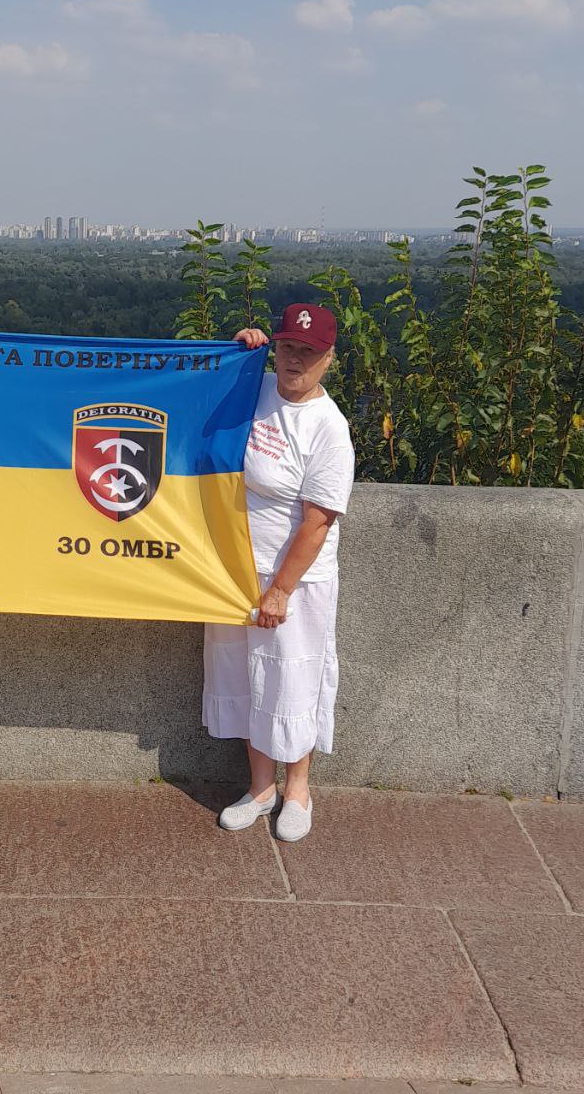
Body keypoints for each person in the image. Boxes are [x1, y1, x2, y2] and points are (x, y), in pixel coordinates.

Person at [204, 303, 355, 843]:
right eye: (288, 346)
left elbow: (317, 523)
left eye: (308, 352)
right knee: (248, 678)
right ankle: (260, 788)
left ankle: (299, 790)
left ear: (329, 359)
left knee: (293, 678)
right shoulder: (258, 386)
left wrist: (280, 591)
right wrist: (234, 350)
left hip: (294, 581)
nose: (295, 359)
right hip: (236, 571)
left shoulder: (329, 429)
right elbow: (206, 398)